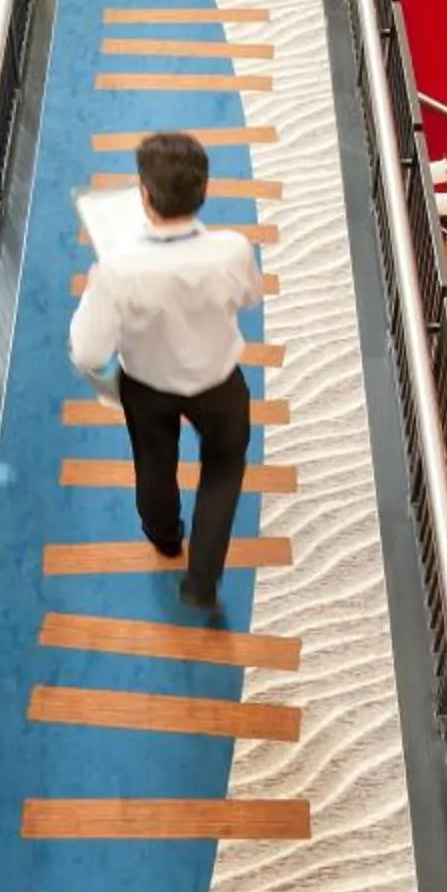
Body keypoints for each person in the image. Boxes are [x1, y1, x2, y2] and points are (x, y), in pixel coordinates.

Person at [67, 131, 266, 619]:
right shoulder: (233, 249)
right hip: (219, 383)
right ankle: (202, 582)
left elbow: (88, 350)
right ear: (204, 189)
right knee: (223, 473)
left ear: (144, 196)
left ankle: (165, 537)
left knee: (154, 463)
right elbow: (249, 297)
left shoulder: (117, 269)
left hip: (148, 387)